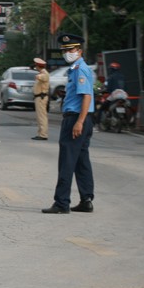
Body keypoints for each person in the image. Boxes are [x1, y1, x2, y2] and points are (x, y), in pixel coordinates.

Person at [42, 34, 96, 214]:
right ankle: (86, 199)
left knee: (67, 160)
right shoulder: (76, 68)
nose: (67, 53)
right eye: (65, 50)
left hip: (76, 118)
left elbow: (86, 96)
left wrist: (79, 122)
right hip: (80, 118)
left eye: (71, 49)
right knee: (81, 161)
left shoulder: (80, 69)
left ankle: (61, 203)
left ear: (79, 50)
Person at [31, 58, 50, 141]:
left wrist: (38, 73)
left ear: (38, 66)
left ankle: (43, 134)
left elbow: (41, 77)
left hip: (41, 97)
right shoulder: (42, 73)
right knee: (39, 117)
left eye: (36, 66)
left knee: (42, 116)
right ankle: (40, 133)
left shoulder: (44, 73)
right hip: (38, 97)